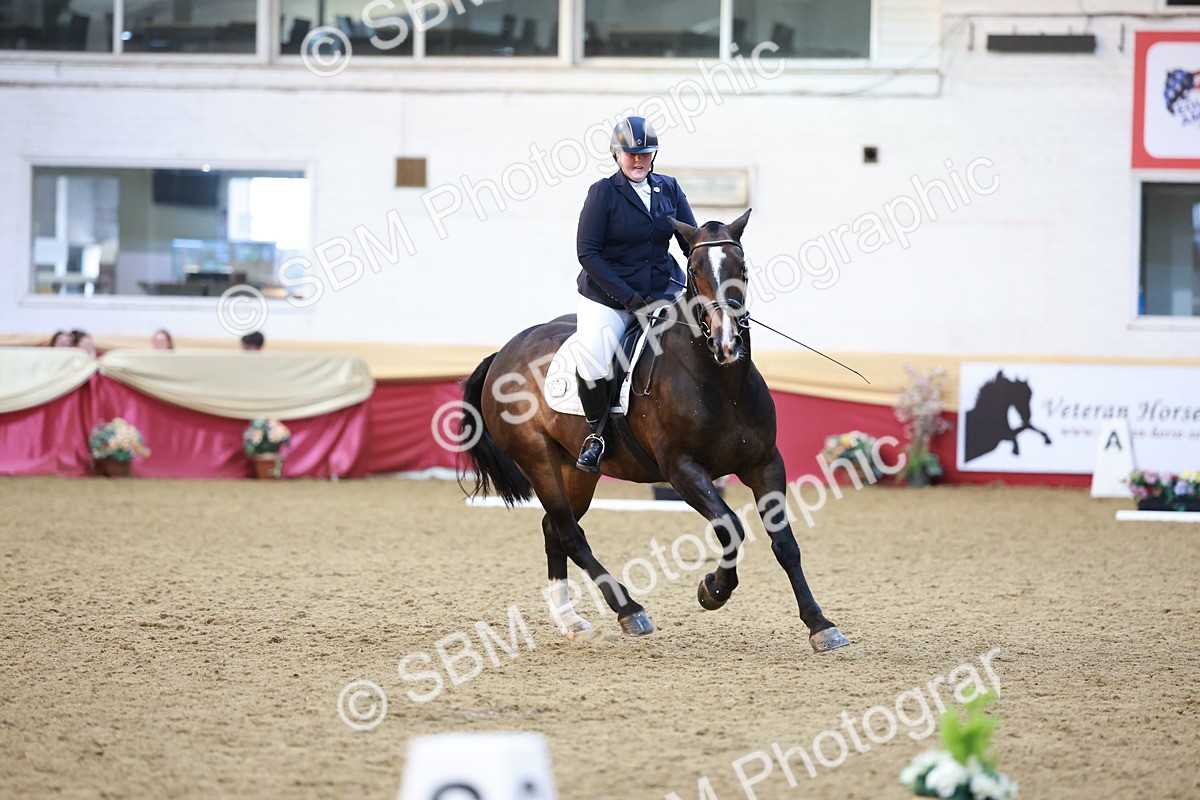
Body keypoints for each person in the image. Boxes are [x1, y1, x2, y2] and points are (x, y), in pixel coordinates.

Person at [570, 115, 697, 473]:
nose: (638, 160)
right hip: (608, 296)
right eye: (631, 155)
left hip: (662, 289)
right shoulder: (603, 193)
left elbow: (691, 241)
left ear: (653, 155)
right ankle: (596, 434)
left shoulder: (669, 188)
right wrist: (628, 298)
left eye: (645, 154)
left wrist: (705, 281)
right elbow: (587, 252)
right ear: (617, 156)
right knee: (594, 356)